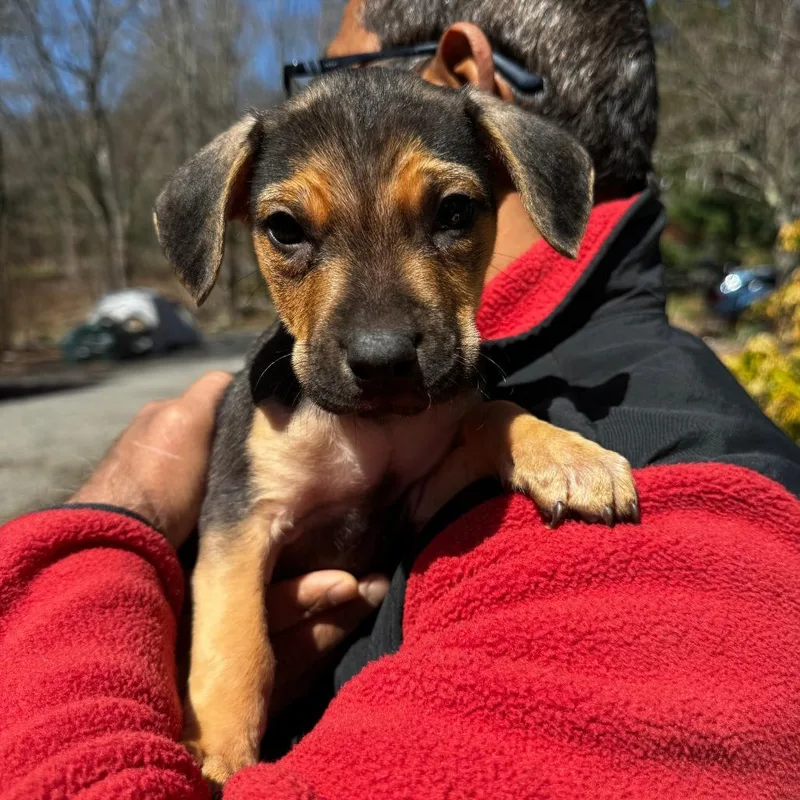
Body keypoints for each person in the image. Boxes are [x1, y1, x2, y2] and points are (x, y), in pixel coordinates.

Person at [2, 1, 800, 797]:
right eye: (291, 231)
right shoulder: (287, 411)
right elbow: (239, 535)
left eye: (449, 215)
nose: (379, 338)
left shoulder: (693, 501)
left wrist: (112, 524)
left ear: (470, 88)